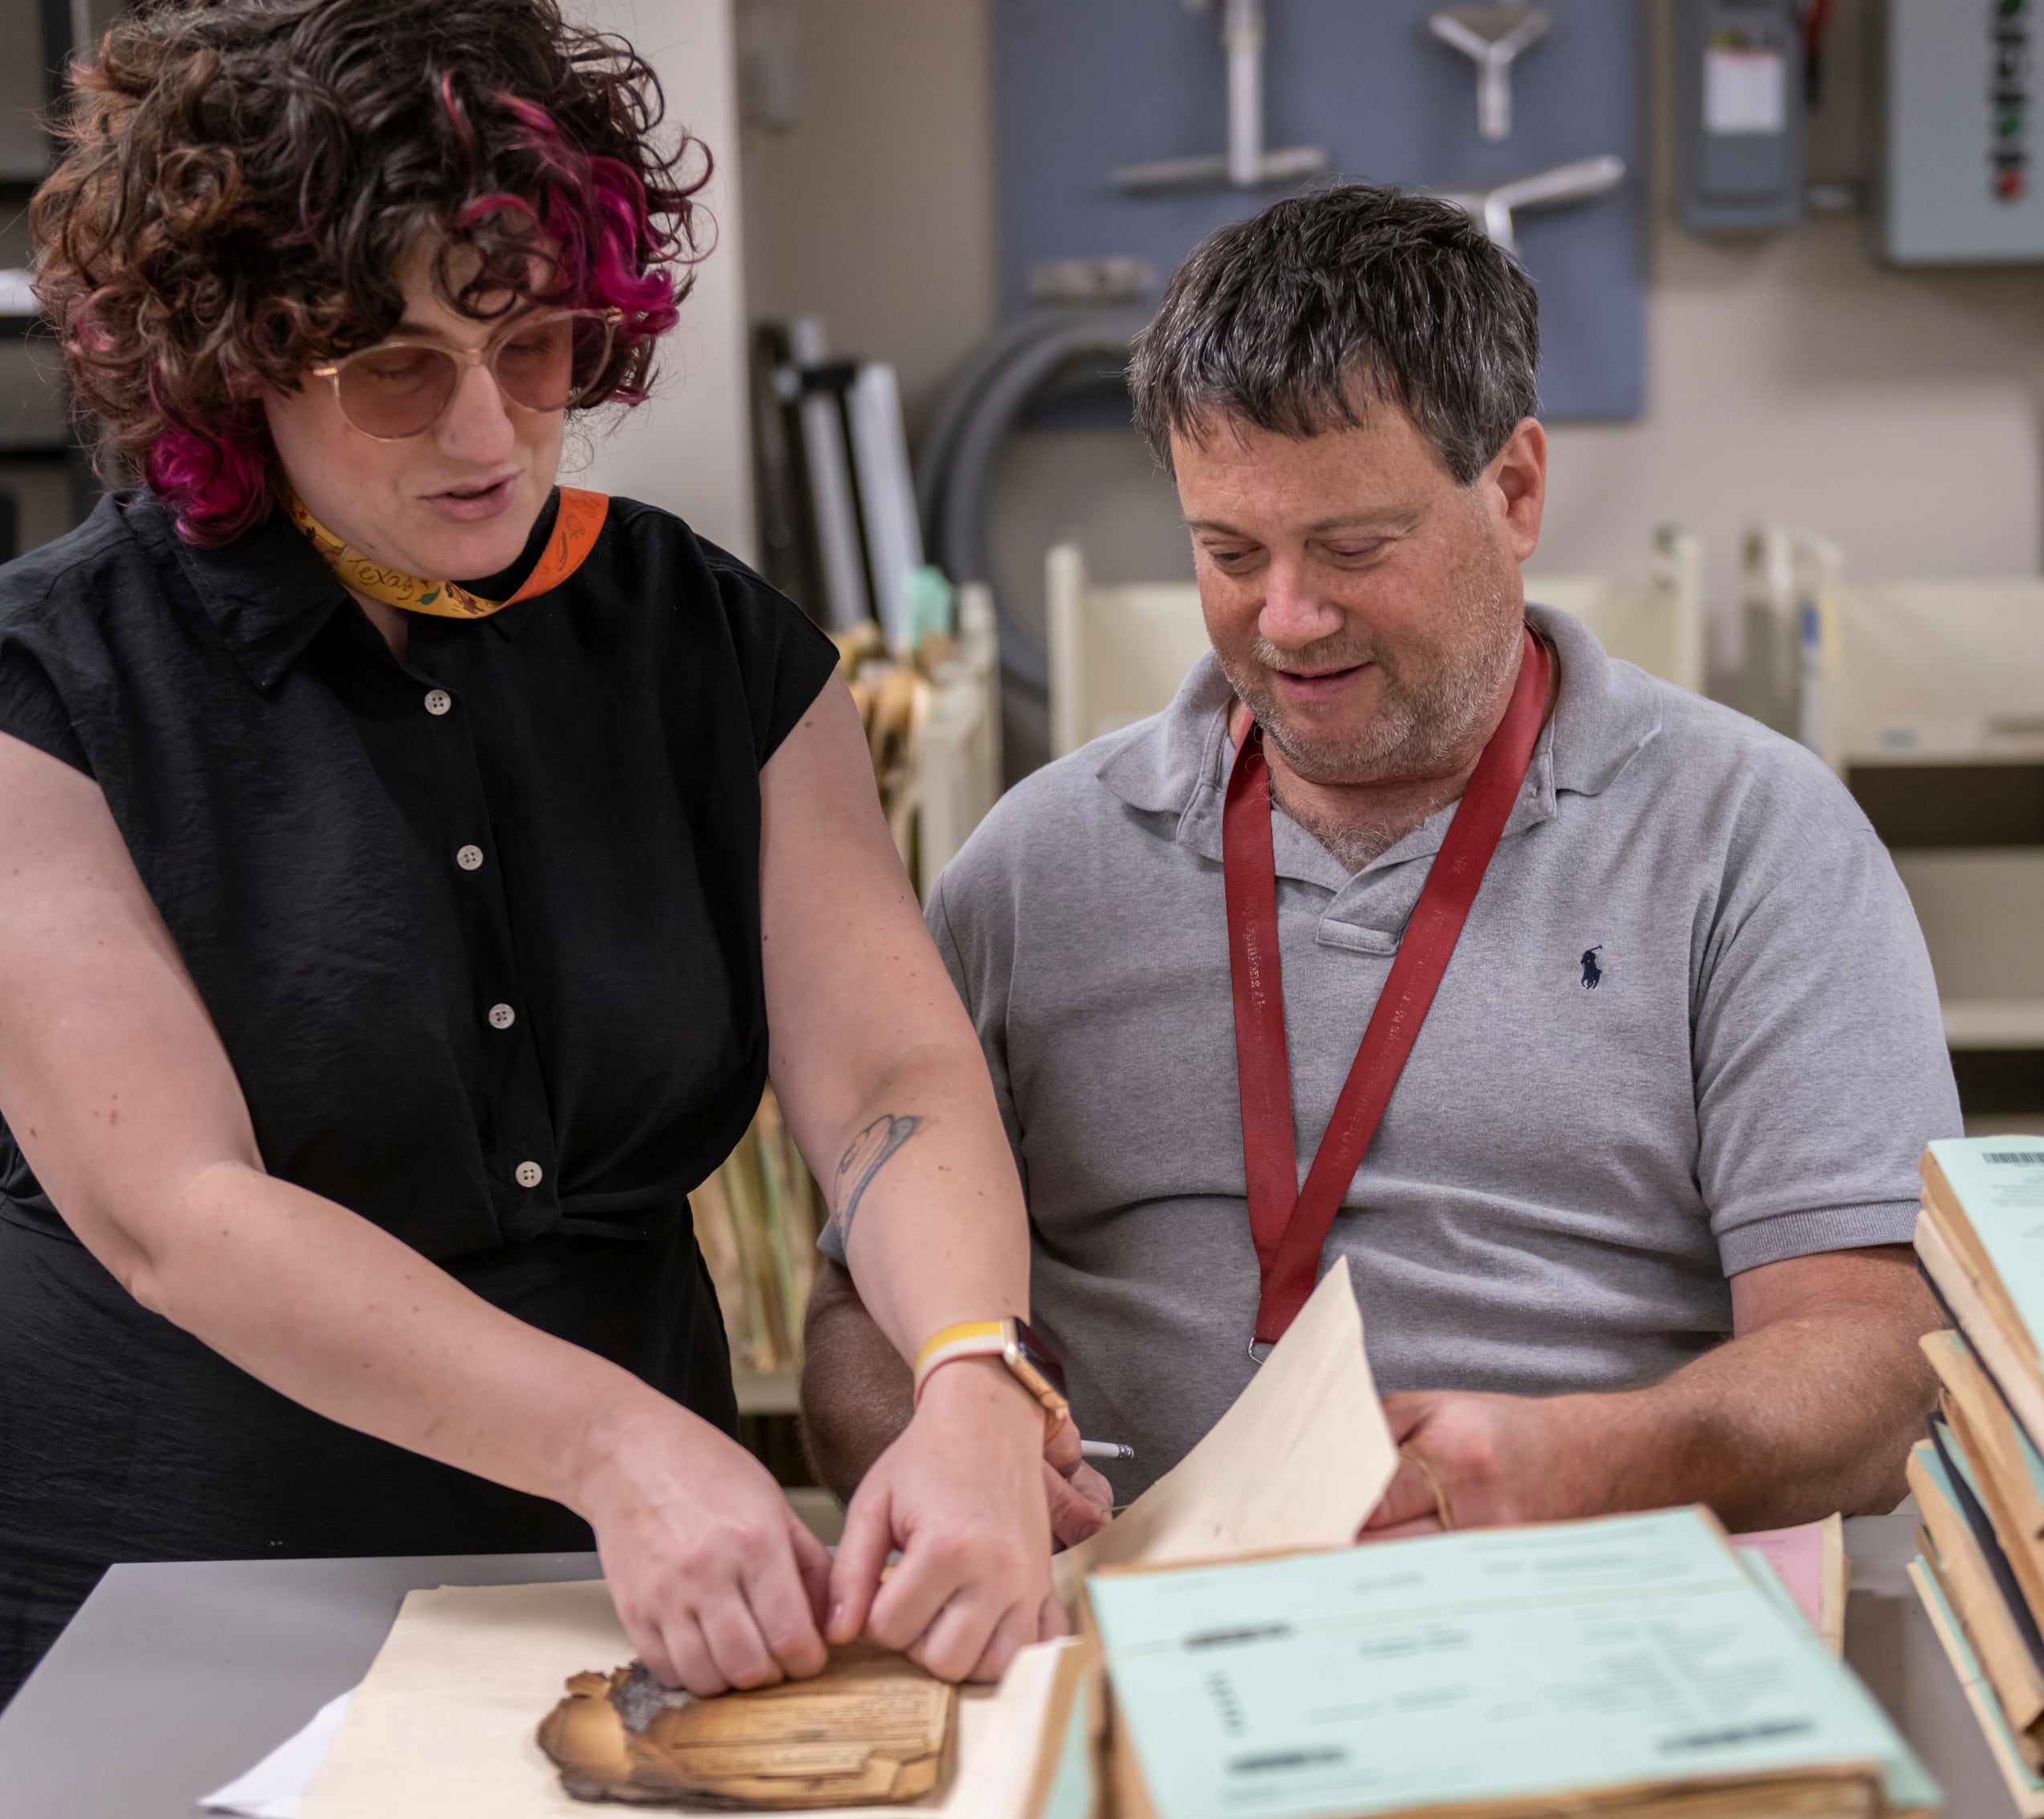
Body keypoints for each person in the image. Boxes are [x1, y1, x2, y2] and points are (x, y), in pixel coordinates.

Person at [0, 6, 1068, 1819]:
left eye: (534, 343)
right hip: (145, 1511)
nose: (492, 430)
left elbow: (883, 1066)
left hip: (609, 1546)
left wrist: (975, 1368)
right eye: (396, 370)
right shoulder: (30, 691)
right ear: (237, 371)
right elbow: (180, 1208)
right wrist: (616, 1445)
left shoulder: (705, 646)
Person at [802, 185, 1958, 1547]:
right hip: (1129, 1610)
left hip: (1586, 1585)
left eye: (1354, 548)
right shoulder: (1035, 867)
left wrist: (1607, 1459)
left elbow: (1880, 1362)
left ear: (1515, 489)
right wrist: (946, 1452)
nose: (1286, 619)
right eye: (1229, 552)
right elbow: (852, 1321)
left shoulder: (1749, 842)